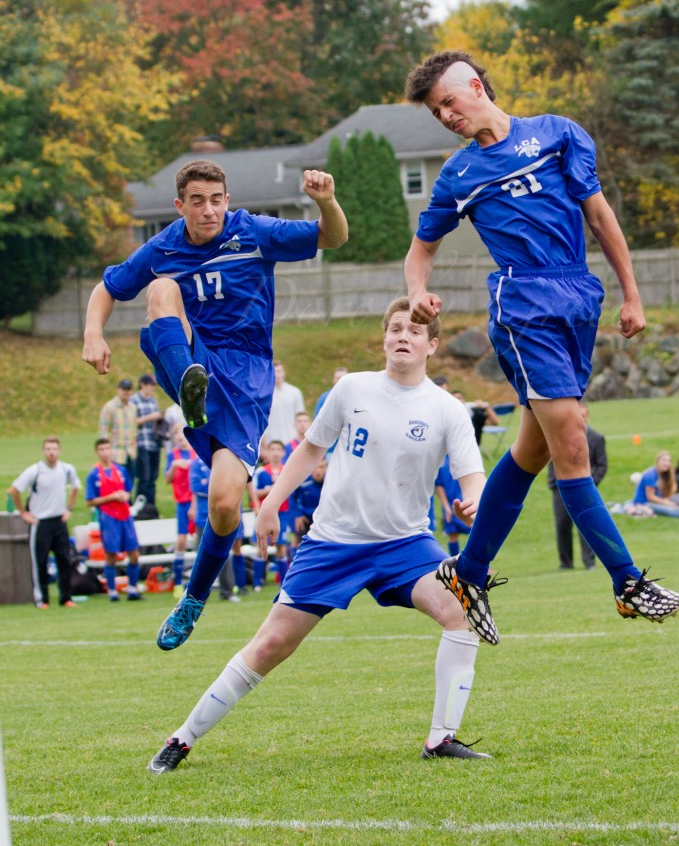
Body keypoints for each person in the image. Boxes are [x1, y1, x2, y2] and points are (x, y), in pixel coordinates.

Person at [403, 50, 679, 642]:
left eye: (449, 103)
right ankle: (628, 583)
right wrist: (417, 294)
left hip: (578, 297)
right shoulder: (459, 174)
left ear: (476, 86)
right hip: (524, 307)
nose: (446, 117)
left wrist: (631, 295)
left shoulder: (559, 135)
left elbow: (601, 218)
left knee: (531, 452)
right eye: (437, 113)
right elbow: (420, 249)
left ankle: (468, 572)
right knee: (572, 444)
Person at [147, 297, 489, 775]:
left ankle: (441, 739)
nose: (402, 337)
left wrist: (474, 501)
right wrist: (269, 504)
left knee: (462, 611)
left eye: (414, 331)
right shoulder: (351, 389)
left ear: (432, 345)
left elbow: (472, 476)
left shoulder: (446, 410)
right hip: (333, 544)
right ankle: (182, 739)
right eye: (394, 329)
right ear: (384, 339)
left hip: (405, 545)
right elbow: (310, 450)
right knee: (269, 646)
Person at [81, 158, 347, 650]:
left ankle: (194, 599)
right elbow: (107, 288)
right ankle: (189, 385)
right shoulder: (163, 246)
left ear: (228, 199)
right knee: (161, 288)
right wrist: (93, 334)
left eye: (217, 199)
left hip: (246, 378)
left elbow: (332, 238)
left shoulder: (254, 232)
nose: (209, 210)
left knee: (224, 504)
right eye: (197, 201)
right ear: (180, 205)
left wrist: (326, 202)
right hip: (192, 356)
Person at [8, 437, 81, 609]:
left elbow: (76, 487)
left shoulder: (66, 469)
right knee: (40, 561)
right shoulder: (35, 471)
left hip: (59, 521)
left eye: (54, 449)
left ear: (59, 451)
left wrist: (69, 508)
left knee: (64, 559)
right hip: (40, 522)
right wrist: (24, 513)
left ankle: (66, 597)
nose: (51, 452)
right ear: (43, 451)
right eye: (48, 449)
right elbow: (14, 490)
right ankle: (42, 599)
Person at [547, 405, 606, 569]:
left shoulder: (596, 438)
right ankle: (566, 563)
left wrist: (587, 484)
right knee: (562, 525)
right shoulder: (560, 436)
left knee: (586, 526)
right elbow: (553, 461)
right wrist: (553, 483)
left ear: (588, 417)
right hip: (561, 488)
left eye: (584, 415)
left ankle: (589, 562)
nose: (581, 418)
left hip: (586, 490)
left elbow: (602, 465)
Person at [85, 438, 143, 601]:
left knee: (134, 553)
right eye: (101, 449)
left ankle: (132, 589)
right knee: (110, 554)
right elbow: (90, 500)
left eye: (107, 449)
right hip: (108, 517)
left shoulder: (121, 470)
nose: (105, 452)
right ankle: (112, 591)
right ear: (97, 452)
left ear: (112, 450)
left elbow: (128, 490)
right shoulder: (93, 474)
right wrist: (111, 497)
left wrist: (125, 496)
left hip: (125, 515)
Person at [189, 455, 239, 603]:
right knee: (201, 558)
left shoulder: (225, 460)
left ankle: (228, 591)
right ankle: (197, 597)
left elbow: (230, 486)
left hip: (222, 518)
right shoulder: (197, 463)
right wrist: (218, 486)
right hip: (203, 517)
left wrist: (212, 485)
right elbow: (197, 486)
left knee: (223, 554)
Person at [252, 440, 289, 588]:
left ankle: (284, 582)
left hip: (283, 513)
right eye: (272, 449)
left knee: (281, 546)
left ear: (283, 452)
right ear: (268, 452)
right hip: (266, 514)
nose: (275, 452)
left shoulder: (286, 470)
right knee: (261, 546)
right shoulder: (261, 472)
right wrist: (269, 489)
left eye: (278, 449)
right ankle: (257, 582)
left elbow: (292, 491)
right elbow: (254, 492)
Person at [165, 425, 196, 596]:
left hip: (198, 502)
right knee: (181, 540)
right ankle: (178, 582)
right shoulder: (173, 456)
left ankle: (205, 581)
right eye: (177, 434)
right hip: (182, 503)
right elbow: (167, 480)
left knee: (201, 539)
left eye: (183, 433)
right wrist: (174, 466)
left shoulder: (197, 453)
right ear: (175, 438)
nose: (181, 437)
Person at [130, 374, 164, 519]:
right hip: (142, 444)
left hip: (154, 444)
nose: (152, 388)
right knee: (144, 479)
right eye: (151, 385)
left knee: (152, 479)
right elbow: (132, 421)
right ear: (143, 384)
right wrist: (151, 417)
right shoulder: (133, 401)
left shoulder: (152, 401)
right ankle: (140, 509)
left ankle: (151, 509)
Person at [632, 451, 679, 519]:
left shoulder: (664, 474)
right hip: (645, 503)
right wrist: (666, 503)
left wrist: (672, 476)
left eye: (669, 461)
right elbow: (650, 497)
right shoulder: (651, 475)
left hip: (659, 500)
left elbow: (670, 492)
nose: (666, 463)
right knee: (670, 509)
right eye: (663, 460)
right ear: (657, 461)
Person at [98, 379, 138, 479]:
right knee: (116, 483)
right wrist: (106, 452)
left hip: (130, 453)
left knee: (130, 484)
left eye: (128, 389)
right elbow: (103, 430)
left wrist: (134, 446)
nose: (126, 392)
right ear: (118, 390)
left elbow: (134, 429)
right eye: (124, 389)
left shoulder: (133, 408)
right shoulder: (109, 407)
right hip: (115, 454)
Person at [262, 362, 305, 447]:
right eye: (274, 372)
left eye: (279, 371)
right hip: (272, 442)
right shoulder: (265, 394)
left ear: (284, 373)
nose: (277, 375)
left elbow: (301, 417)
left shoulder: (294, 392)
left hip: (292, 440)